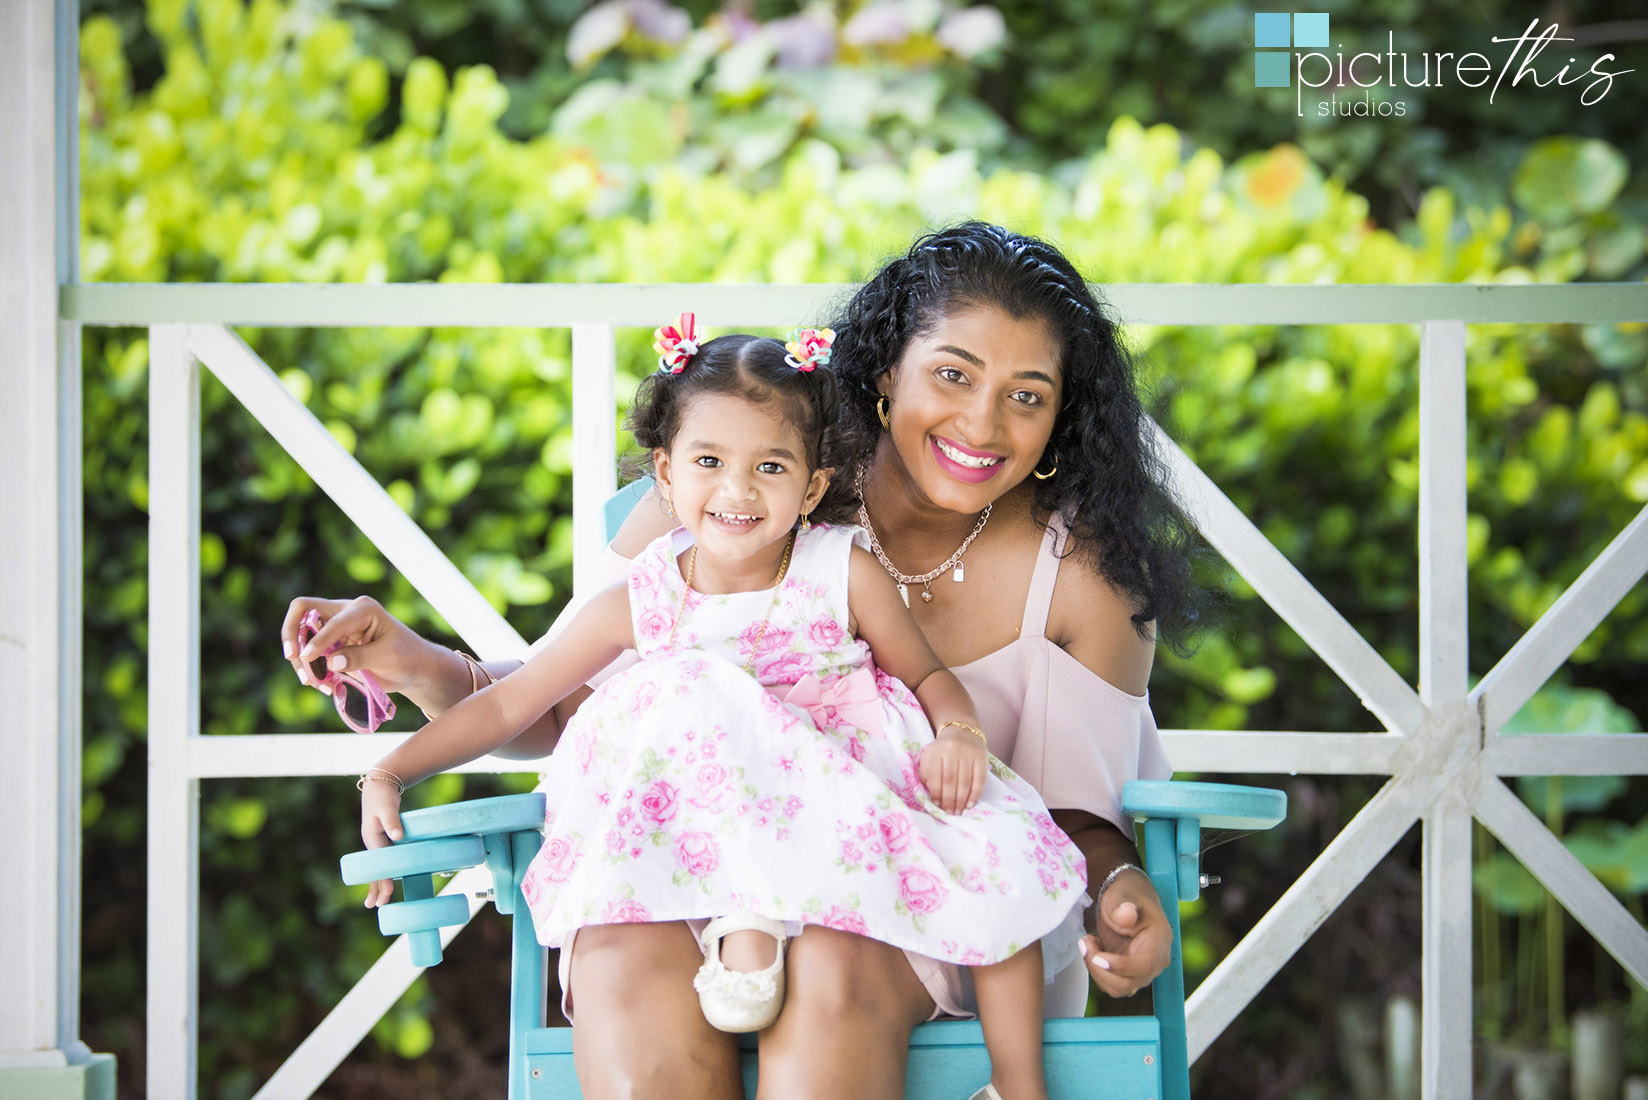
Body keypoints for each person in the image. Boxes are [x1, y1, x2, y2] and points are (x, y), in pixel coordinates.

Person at [283, 222, 1199, 1100]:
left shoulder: (1081, 579)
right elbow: (564, 710)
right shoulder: (725, 493)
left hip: (911, 889)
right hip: (694, 866)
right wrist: (408, 664)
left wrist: (1120, 890)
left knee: (832, 963)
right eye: (952, 374)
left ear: (1059, 419)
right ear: (884, 376)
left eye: (1027, 395)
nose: (981, 421)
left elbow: (1077, 814)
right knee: (623, 955)